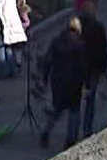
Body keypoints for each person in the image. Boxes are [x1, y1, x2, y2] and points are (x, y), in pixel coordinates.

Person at [39, 16, 90, 150]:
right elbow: (83, 66)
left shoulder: (56, 41)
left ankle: (46, 132)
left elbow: (48, 61)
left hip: (58, 80)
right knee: (74, 111)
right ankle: (70, 140)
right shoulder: (80, 44)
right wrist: (87, 83)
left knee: (57, 109)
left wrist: (45, 79)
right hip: (74, 82)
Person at [78, 1, 107, 135]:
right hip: (93, 68)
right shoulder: (98, 27)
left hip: (78, 66)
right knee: (90, 100)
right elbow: (103, 49)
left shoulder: (77, 26)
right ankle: (87, 129)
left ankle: (70, 130)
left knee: (71, 100)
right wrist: (104, 69)